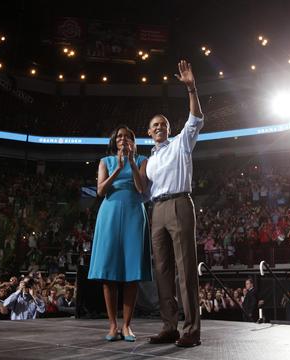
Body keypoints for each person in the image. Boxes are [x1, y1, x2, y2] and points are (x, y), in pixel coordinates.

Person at [146, 60, 204, 348]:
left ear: (169, 129)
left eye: (164, 124)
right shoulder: (150, 161)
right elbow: (142, 187)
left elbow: (195, 118)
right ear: (149, 132)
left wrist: (191, 88)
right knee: (163, 273)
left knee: (186, 269)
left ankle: (191, 330)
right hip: (156, 210)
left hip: (180, 204)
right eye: (155, 125)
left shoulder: (181, 142)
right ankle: (169, 326)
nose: (160, 127)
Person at [88, 125, 152, 342]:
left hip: (134, 213)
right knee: (110, 273)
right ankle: (112, 325)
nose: (123, 139)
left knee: (132, 273)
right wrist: (118, 168)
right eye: (120, 136)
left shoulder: (142, 160)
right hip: (110, 214)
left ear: (134, 141)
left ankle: (127, 326)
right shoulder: (105, 161)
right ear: (115, 141)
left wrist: (131, 162)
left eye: (128, 137)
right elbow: (100, 191)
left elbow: (142, 188)